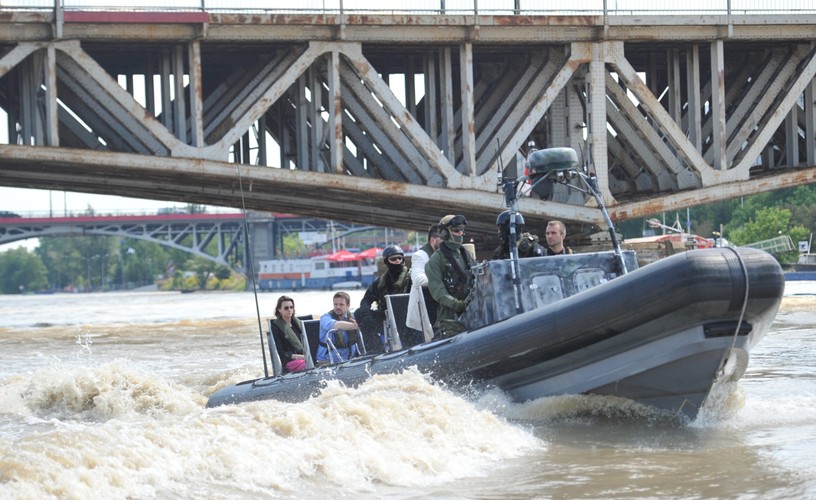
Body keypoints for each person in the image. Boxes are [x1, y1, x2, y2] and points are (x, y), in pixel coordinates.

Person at [426, 214, 476, 338]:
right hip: (449, 316)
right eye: (457, 230)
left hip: (473, 311)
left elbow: (477, 276)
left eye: (462, 230)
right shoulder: (436, 259)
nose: (461, 233)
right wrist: (457, 305)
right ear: (445, 233)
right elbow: (438, 291)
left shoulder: (466, 255)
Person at [355, 245, 412, 352]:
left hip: (408, 317)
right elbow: (366, 300)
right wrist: (367, 316)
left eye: (399, 258)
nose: (397, 261)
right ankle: (376, 350)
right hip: (387, 318)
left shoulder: (411, 278)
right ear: (386, 261)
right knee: (359, 313)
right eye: (393, 259)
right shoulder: (381, 282)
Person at [406, 224, 442, 341]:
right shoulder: (420, 255)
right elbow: (418, 280)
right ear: (433, 240)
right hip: (424, 313)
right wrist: (442, 281)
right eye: (442, 239)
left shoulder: (445, 256)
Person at [317, 291, 360, 365]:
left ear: (348, 306)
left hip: (349, 360)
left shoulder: (353, 318)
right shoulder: (325, 318)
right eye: (335, 304)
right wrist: (354, 326)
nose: (338, 307)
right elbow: (336, 325)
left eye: (341, 304)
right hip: (326, 361)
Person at [269, 295, 307, 373]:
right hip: (289, 362)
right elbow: (281, 352)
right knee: (308, 364)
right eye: (286, 308)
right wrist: (302, 357)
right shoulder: (276, 328)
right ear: (279, 310)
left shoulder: (299, 324)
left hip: (306, 357)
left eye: (291, 307)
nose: (289, 310)